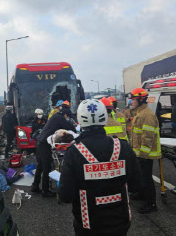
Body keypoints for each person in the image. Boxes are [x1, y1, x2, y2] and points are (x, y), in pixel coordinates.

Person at [58, 99, 141, 236]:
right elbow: (136, 185)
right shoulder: (123, 147)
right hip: (120, 222)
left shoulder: (74, 152)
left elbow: (66, 196)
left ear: (80, 120)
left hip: (89, 225)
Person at [128, 88, 161, 214]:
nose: (132, 102)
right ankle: (142, 194)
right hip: (139, 153)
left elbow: (148, 137)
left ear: (141, 99)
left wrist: (143, 154)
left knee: (147, 179)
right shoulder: (140, 112)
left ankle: (151, 203)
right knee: (140, 177)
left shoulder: (147, 115)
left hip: (145, 155)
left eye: (134, 100)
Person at [31, 108, 76, 197]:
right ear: (66, 115)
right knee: (47, 167)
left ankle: (35, 186)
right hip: (44, 144)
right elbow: (71, 128)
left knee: (40, 165)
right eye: (68, 117)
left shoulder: (55, 117)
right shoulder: (61, 119)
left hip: (39, 142)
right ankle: (45, 190)